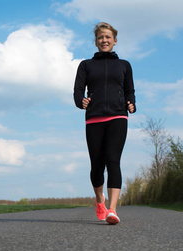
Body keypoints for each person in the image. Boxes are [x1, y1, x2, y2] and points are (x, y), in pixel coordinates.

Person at [74, 22, 136, 224]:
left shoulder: (124, 65)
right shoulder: (86, 65)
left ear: (115, 41)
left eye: (108, 37)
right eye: (101, 37)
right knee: (97, 165)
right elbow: (77, 90)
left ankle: (112, 210)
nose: (104, 40)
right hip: (94, 118)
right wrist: (79, 101)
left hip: (118, 116)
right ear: (96, 41)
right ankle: (100, 200)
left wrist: (132, 103)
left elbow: (129, 90)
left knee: (113, 160)